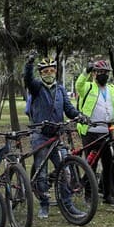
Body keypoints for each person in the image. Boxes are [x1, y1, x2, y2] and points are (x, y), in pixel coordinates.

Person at [24, 52, 81, 218]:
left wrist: (78, 116)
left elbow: (69, 109)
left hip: (57, 136)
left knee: (65, 169)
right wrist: (29, 64)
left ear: (55, 71)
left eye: (51, 70)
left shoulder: (61, 90)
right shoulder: (36, 88)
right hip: (39, 135)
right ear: (41, 73)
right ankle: (44, 204)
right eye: (45, 71)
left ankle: (67, 204)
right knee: (41, 172)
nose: (49, 74)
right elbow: (27, 79)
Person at [75, 59, 114, 199]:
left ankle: (109, 194)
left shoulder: (112, 89)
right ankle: (89, 195)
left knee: (109, 163)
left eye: (106, 73)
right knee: (91, 163)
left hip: (107, 131)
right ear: (95, 73)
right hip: (90, 131)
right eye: (100, 72)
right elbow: (78, 85)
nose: (103, 75)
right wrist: (86, 71)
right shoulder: (88, 87)